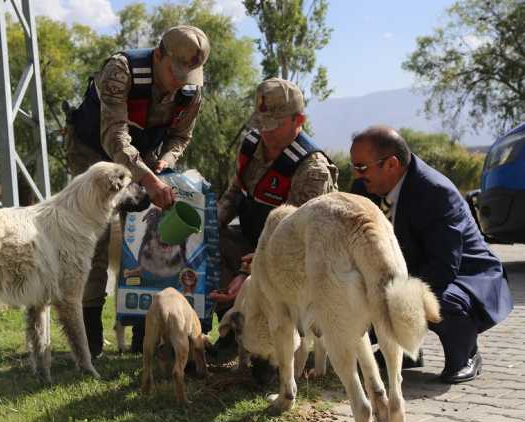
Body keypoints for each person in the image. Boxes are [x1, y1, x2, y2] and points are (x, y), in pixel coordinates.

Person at [65, 25, 211, 358]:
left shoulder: (191, 88)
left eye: (188, 75)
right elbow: (114, 138)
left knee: (152, 234)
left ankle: (145, 331)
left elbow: (180, 137)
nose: (180, 82)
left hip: (143, 156)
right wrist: (147, 178)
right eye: (176, 73)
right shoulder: (121, 71)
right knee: (97, 239)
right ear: (159, 55)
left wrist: (163, 163)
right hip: (93, 152)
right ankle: (89, 340)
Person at [349, 125, 513, 383]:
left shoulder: (435, 192)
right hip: (415, 269)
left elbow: (443, 266)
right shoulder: (362, 189)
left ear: (391, 164)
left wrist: (392, 298)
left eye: (361, 167)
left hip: (466, 275)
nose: (356, 175)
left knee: (432, 300)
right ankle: (407, 351)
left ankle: (466, 353)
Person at [211, 78, 339, 351]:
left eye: (275, 124)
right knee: (209, 244)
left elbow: (297, 241)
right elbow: (235, 193)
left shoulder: (312, 169)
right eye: (261, 122)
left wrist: (249, 272)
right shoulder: (251, 145)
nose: (266, 132)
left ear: (298, 120)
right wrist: (210, 227)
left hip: (293, 257)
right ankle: (231, 332)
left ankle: (270, 347)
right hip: (254, 241)